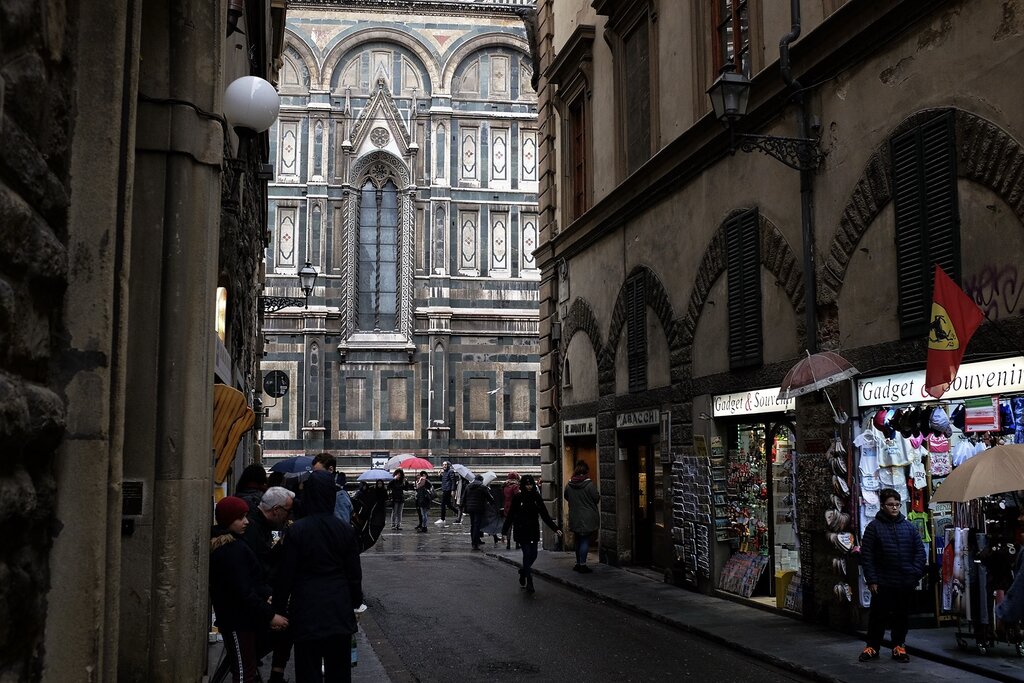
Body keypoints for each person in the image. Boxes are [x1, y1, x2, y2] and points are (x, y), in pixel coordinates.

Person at [273, 470, 363, 683]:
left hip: (306, 608)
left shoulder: (297, 530)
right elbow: (354, 573)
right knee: (339, 671)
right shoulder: (345, 530)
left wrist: (278, 608)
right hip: (338, 607)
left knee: (308, 669)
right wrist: (355, 602)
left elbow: (285, 574)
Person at [209, 496, 289, 683]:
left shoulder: (235, 543)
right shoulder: (230, 549)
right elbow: (243, 591)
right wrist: (270, 615)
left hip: (242, 618)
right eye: (240, 518)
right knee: (244, 672)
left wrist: (267, 596)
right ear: (228, 520)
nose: (246, 521)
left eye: (245, 516)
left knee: (246, 667)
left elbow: (251, 583)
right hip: (238, 621)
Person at [858, 488, 926, 664]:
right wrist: (872, 579)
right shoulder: (874, 528)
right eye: (890, 505)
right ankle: (872, 647)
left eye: (897, 504)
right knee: (878, 616)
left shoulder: (909, 528)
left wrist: (914, 573)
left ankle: (898, 646)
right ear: (882, 506)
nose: (894, 507)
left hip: (904, 581)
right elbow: (867, 556)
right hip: (883, 581)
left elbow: (919, 552)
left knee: (901, 616)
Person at [238, 487, 295, 683]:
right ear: (276, 510)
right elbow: (256, 568)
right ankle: (273, 675)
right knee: (284, 627)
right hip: (251, 603)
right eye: (288, 511)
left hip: (258, 595)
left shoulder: (260, 525)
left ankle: (274, 674)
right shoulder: (253, 528)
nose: (289, 516)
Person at [502, 475, 562, 593]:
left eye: (530, 484)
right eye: (526, 485)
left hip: (533, 529)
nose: (529, 487)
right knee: (527, 554)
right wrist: (504, 532)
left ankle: (523, 571)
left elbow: (544, 514)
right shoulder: (518, 497)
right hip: (521, 529)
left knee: (533, 554)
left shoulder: (536, 497)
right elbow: (510, 515)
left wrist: (555, 528)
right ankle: (529, 580)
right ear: (523, 485)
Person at [563, 460, 600, 573]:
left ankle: (578, 563)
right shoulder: (589, 485)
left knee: (578, 540)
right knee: (584, 540)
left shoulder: (569, 485)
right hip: (588, 517)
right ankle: (583, 565)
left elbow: (566, 496)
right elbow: (596, 498)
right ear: (586, 471)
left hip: (574, 516)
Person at [351, 480, 388, 550]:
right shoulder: (369, 492)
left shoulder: (382, 491)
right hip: (370, 513)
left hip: (377, 512)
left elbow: (385, 499)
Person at [463, 474, 493, 549]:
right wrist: (493, 504)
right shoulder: (483, 487)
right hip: (479, 508)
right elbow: (490, 498)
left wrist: (464, 507)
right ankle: (475, 543)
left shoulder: (468, 486)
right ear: (481, 480)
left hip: (470, 508)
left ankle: (474, 541)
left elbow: (463, 498)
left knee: (473, 525)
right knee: (477, 525)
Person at [502, 472, 521, 549]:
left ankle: (508, 544)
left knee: (508, 526)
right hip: (515, 507)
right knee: (516, 526)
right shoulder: (515, 486)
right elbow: (518, 496)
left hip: (507, 507)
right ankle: (517, 543)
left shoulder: (505, 486)